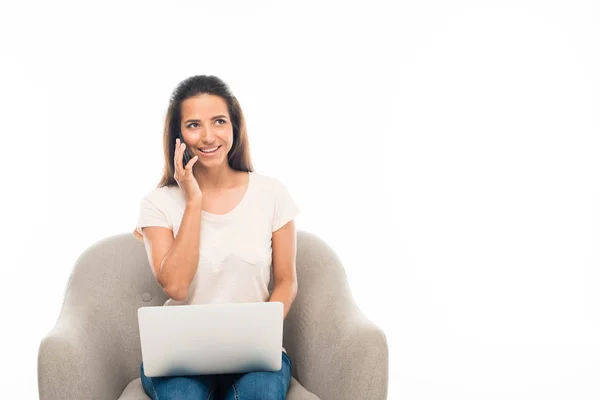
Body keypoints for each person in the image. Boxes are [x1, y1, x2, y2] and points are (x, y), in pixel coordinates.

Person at [132, 75, 300, 399]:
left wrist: (256, 335)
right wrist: (193, 200)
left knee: (261, 394)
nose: (208, 136)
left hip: (255, 356)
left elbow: (286, 281)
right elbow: (177, 286)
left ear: (234, 126)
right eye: (194, 125)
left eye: (219, 121)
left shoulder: (272, 193)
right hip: (180, 357)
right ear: (177, 135)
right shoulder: (157, 204)